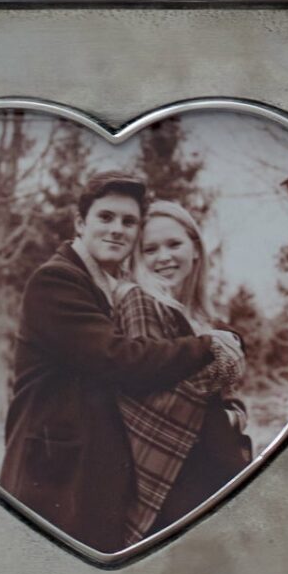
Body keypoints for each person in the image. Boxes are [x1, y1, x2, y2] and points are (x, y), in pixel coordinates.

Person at [0, 171, 220, 555]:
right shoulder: (56, 281)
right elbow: (119, 358)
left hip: (89, 473)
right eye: (106, 217)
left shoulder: (106, 286)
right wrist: (208, 346)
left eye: (128, 221)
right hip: (53, 474)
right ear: (80, 223)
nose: (117, 229)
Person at [113, 201, 252, 542]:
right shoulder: (141, 301)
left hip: (205, 466)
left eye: (174, 244)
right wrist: (221, 408)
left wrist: (233, 413)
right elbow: (145, 389)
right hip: (173, 476)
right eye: (150, 249)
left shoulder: (196, 314)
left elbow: (220, 393)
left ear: (195, 250)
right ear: (135, 258)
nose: (163, 257)